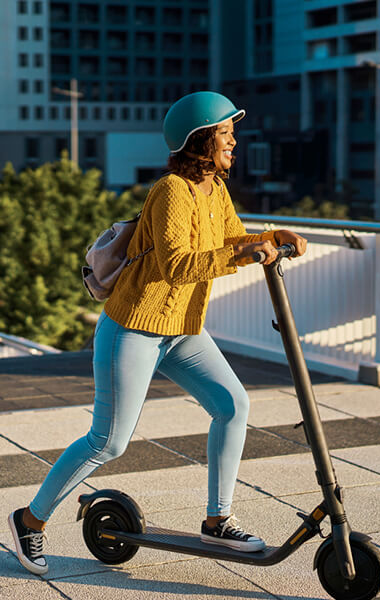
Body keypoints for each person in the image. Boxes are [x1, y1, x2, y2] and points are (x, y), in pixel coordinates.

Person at [9, 91, 307, 575]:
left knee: (233, 406)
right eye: (226, 135)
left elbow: (232, 236)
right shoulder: (170, 191)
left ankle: (218, 519)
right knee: (108, 441)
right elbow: (177, 263)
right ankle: (29, 521)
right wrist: (245, 256)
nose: (234, 142)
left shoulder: (215, 188)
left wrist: (271, 238)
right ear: (201, 140)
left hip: (182, 330)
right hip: (134, 328)